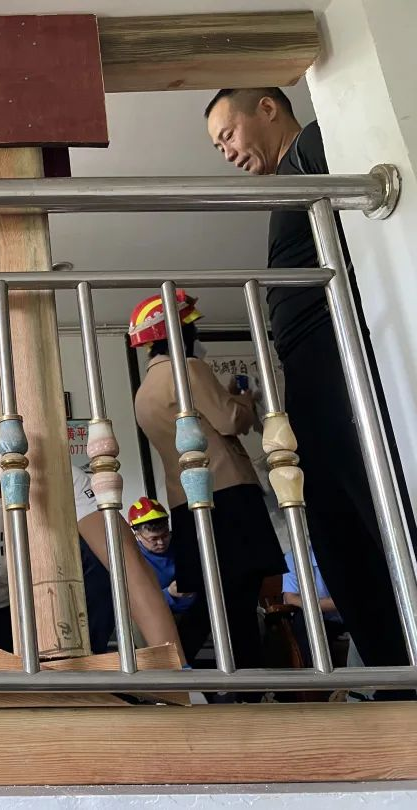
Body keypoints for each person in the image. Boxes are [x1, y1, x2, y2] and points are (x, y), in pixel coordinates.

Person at [204, 87, 413, 677]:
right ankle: (396, 673)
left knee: (370, 500)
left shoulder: (316, 143)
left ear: (267, 109)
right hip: (309, 367)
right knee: (332, 522)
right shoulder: (289, 183)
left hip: (338, 354)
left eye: (227, 134)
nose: (226, 152)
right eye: (218, 146)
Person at [0, 339, 185, 705]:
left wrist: (179, 677)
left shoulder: (59, 477)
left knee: (100, 551)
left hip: (40, 624)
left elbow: (127, 565)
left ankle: (76, 679)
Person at [131, 291, 284, 675]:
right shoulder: (187, 369)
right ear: (180, 335)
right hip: (227, 492)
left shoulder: (143, 392)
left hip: (187, 501)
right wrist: (244, 399)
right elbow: (229, 421)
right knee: (239, 594)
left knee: (216, 597)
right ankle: (247, 683)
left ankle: (180, 674)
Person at [128, 497, 196, 616]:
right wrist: (169, 593)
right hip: (159, 616)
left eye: (165, 535)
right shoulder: (133, 558)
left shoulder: (180, 543)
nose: (161, 543)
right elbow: (135, 603)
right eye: (153, 539)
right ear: (137, 535)